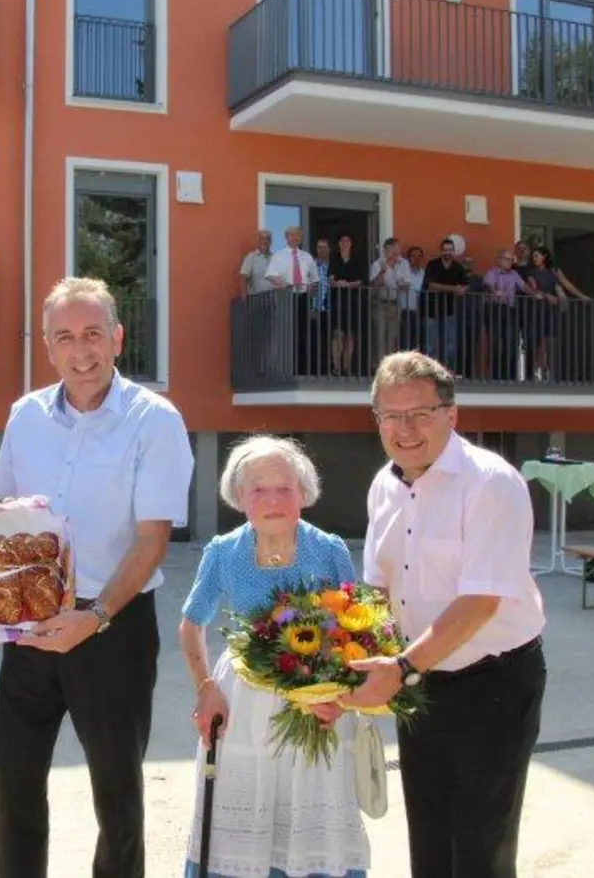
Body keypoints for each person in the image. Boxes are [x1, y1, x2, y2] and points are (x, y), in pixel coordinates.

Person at [0, 276, 195, 878]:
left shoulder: (155, 421)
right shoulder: (25, 416)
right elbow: (1, 518)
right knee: (17, 790)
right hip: (31, 623)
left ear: (118, 339)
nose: (82, 351)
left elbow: (152, 542)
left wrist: (95, 616)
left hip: (114, 629)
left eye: (94, 335)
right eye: (66, 337)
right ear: (47, 347)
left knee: (117, 798)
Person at [332, 350, 547, 878]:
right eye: (390, 415)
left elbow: (480, 602)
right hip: (421, 686)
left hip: (492, 686)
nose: (405, 429)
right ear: (375, 419)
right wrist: (343, 675)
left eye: (420, 413)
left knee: (479, 849)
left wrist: (401, 669)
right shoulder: (383, 486)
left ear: (452, 414)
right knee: (428, 841)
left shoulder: (490, 483)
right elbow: (377, 592)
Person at [179, 435, 371, 878]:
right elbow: (192, 623)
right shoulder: (223, 551)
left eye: (284, 487)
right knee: (242, 815)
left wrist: (339, 697)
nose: (272, 499)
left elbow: (355, 628)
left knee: (310, 813)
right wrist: (206, 689)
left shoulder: (329, 548)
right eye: (258, 489)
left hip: (316, 703)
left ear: (303, 494)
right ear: (239, 499)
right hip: (241, 704)